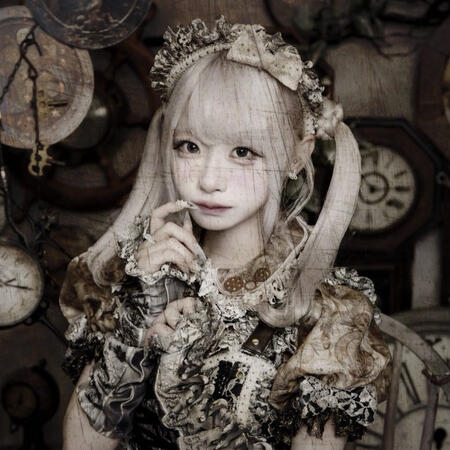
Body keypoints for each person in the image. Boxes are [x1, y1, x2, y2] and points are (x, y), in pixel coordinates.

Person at [60, 16, 391, 450]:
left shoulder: (327, 312)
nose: (209, 180)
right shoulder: (136, 276)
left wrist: (183, 389)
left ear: (297, 156)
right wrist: (138, 319)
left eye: (243, 152)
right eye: (190, 147)